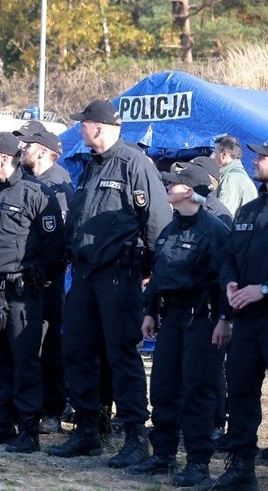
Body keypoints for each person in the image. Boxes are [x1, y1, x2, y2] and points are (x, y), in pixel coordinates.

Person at [49, 100, 171, 468]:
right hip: (86, 273)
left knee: (121, 355)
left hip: (119, 274)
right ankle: (88, 430)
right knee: (79, 349)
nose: (79, 130)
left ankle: (135, 435)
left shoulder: (133, 164)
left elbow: (157, 223)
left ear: (97, 127)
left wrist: (147, 271)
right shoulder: (92, 165)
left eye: (82, 124)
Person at [126, 164, 231, 487]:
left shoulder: (214, 230)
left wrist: (224, 319)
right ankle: (163, 455)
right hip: (171, 318)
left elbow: (226, 278)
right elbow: (159, 277)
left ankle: (198, 463)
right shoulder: (170, 228)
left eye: (175, 182)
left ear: (190, 190)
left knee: (197, 390)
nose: (168, 186)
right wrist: (149, 312)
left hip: (203, 319)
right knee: (163, 387)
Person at [0, 132, 65, 453]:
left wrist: (44, 279)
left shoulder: (37, 193)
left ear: (5, 159)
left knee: (25, 360)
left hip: (23, 290)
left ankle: (28, 429)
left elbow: (54, 247)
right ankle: (1, 422)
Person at [212, 140, 268, 491]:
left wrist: (264, 289)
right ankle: (241, 468)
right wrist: (231, 283)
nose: (257, 160)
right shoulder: (249, 210)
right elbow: (229, 255)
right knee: (242, 393)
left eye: (263, 157)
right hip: (247, 319)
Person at [19, 129, 73, 434]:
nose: (21, 148)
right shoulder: (28, 182)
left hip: (49, 278)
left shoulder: (57, 184)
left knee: (49, 345)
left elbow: (57, 237)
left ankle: (52, 409)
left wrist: (50, 274)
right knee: (29, 345)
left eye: (27, 144)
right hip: (27, 276)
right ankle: (30, 405)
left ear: (41, 151)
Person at [211, 135, 257, 216]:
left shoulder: (230, 178)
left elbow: (222, 216)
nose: (213, 155)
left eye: (215, 152)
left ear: (224, 154)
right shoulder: (240, 176)